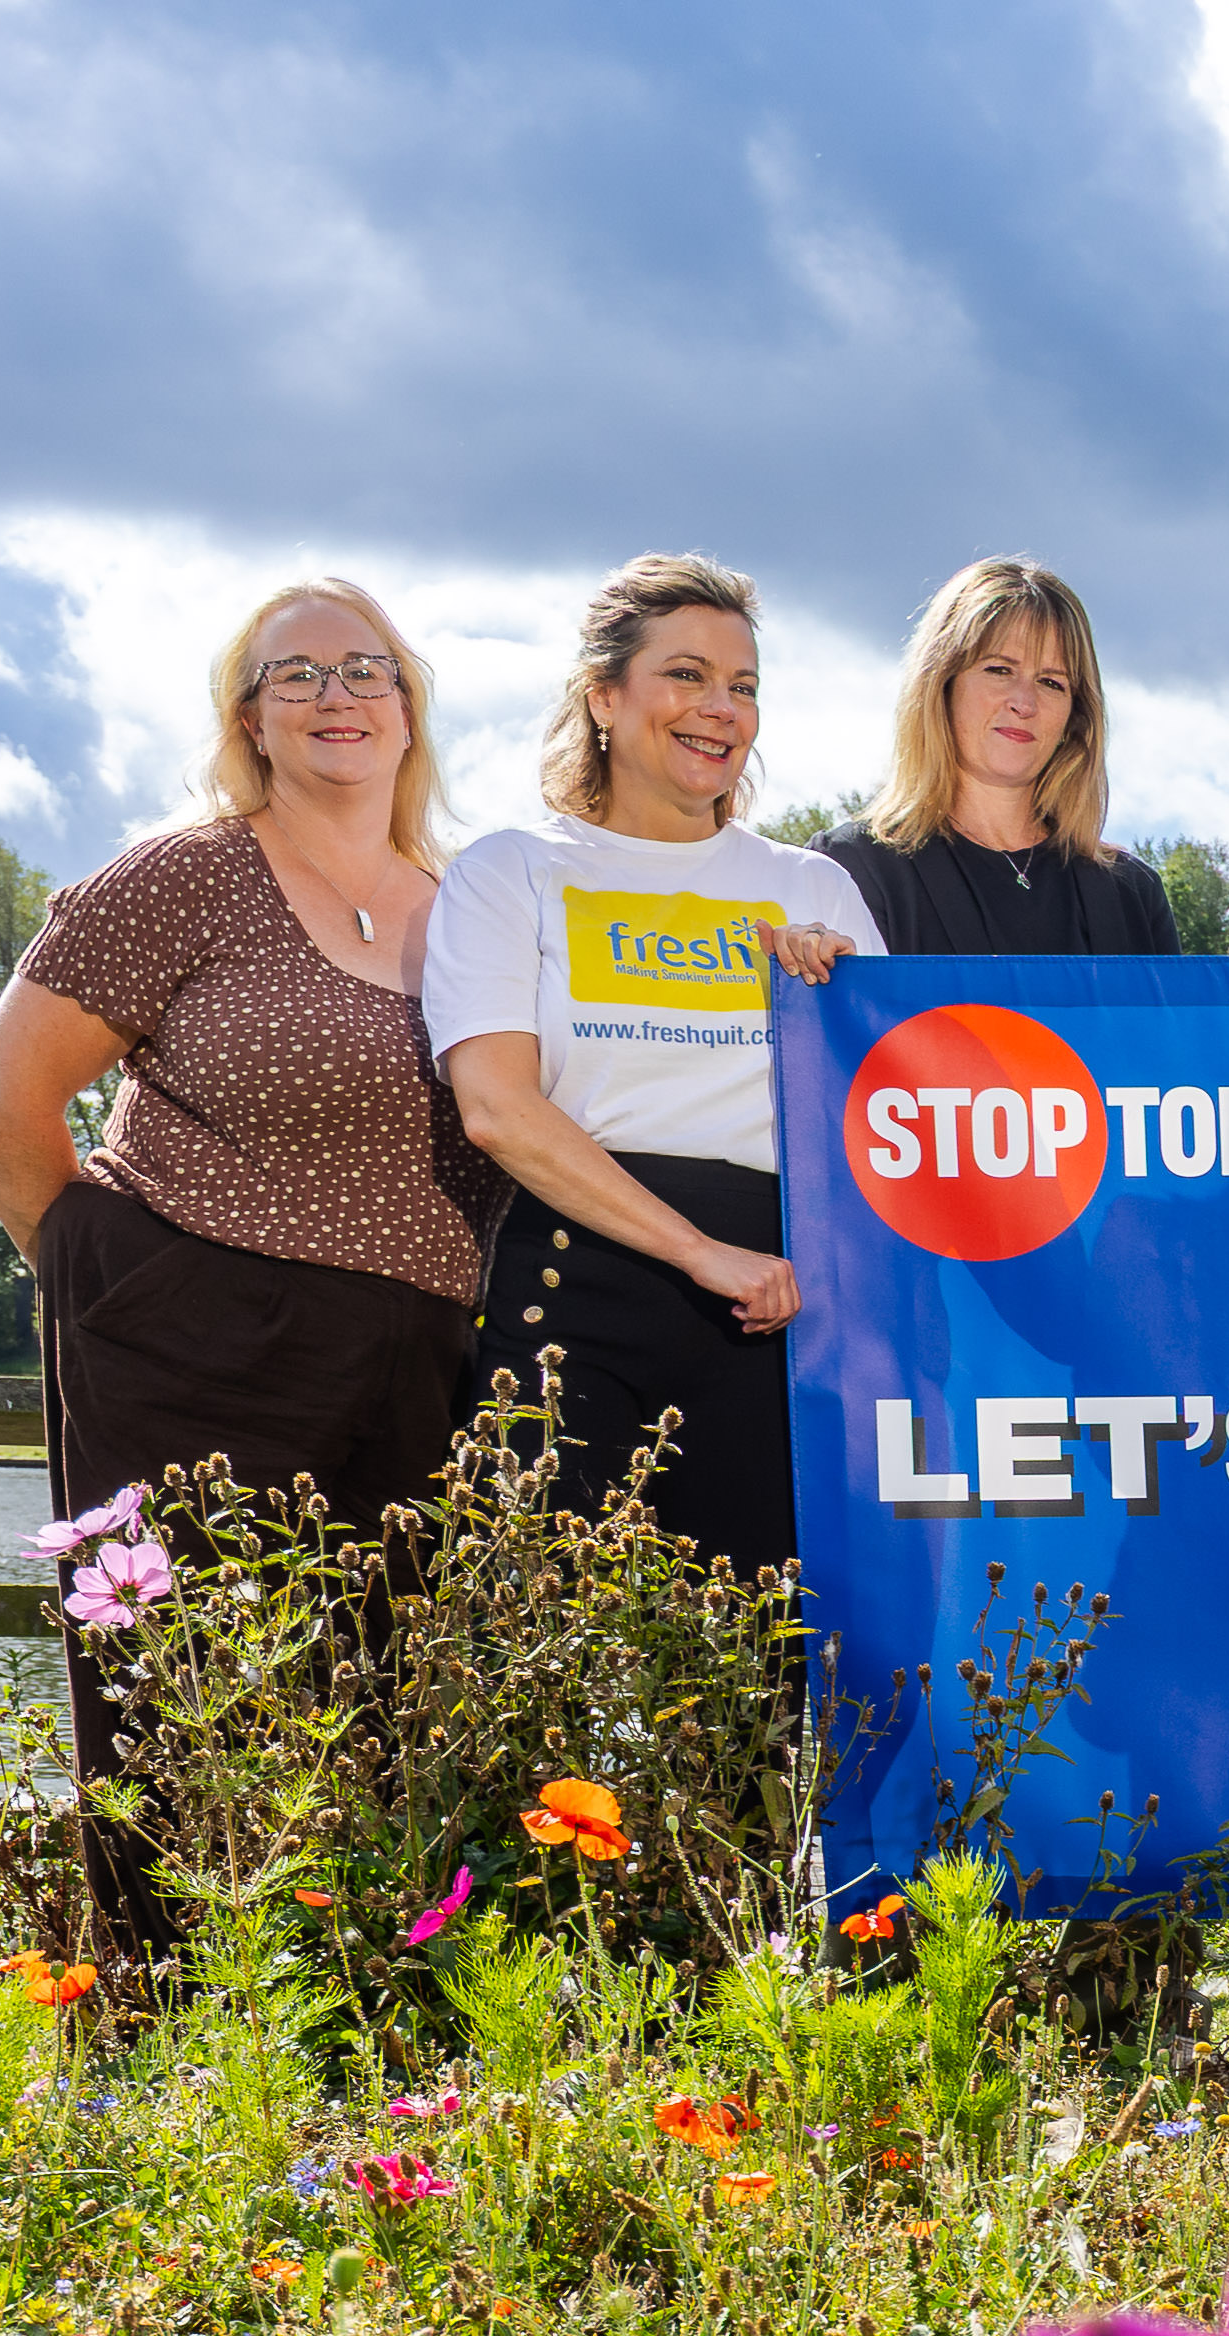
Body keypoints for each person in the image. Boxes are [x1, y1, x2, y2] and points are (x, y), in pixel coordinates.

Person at [0, 576, 506, 1926]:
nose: (336, 695)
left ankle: (372, 2040)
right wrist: (114, 1285)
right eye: (297, 674)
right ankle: (179, 2042)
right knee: (184, 1701)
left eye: (364, 669)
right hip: (198, 1354)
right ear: (249, 718)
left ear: (408, 707)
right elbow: (7, 1098)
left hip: (421, 1374)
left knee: (389, 1715)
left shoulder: (479, 911)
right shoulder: (183, 877)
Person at [422, 552, 873, 1572]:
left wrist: (845, 1011)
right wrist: (696, 1253)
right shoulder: (512, 870)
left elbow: (882, 1123)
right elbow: (495, 1109)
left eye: (743, 685)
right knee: (532, 1676)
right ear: (604, 696)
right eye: (686, 675)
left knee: (759, 1693)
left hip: (779, 1314)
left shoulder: (818, 892)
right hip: (572, 1302)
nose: (720, 708)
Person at [816, 558, 1180, 962]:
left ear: (1075, 715)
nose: (1024, 703)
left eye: (1051, 682)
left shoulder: (1132, 894)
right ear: (941, 685)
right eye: (999, 670)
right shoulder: (848, 868)